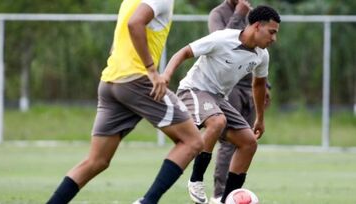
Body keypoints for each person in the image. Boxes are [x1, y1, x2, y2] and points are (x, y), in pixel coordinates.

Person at [46, 0, 204, 204]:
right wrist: (151, 70)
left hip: (111, 81)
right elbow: (134, 23)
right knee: (192, 141)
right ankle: (148, 201)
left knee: (97, 161)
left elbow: (118, 41)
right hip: (137, 81)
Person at [162, 5, 280, 204]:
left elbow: (259, 85)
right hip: (193, 90)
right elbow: (183, 52)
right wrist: (165, 75)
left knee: (249, 143)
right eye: (272, 32)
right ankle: (196, 179)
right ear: (257, 26)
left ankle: (227, 200)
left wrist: (260, 118)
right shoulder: (222, 38)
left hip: (218, 98)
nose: (274, 38)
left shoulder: (262, 55)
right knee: (217, 122)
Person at [207, 1, 271, 203]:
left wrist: (264, 85)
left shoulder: (254, 16)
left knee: (248, 140)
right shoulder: (218, 14)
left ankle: (233, 194)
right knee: (229, 142)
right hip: (228, 86)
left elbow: (258, 50)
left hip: (249, 86)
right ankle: (219, 194)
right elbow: (220, 44)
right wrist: (238, 15)